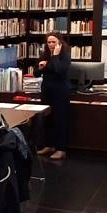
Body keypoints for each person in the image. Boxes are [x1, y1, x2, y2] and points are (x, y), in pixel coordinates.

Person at [34, 31, 71, 160]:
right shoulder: (44, 55)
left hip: (60, 91)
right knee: (47, 118)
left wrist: (54, 56)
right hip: (47, 90)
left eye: (53, 42)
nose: (50, 44)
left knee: (60, 120)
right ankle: (49, 145)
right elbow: (36, 73)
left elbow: (59, 70)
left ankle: (61, 149)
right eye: (49, 42)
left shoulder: (64, 55)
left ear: (59, 42)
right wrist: (40, 67)